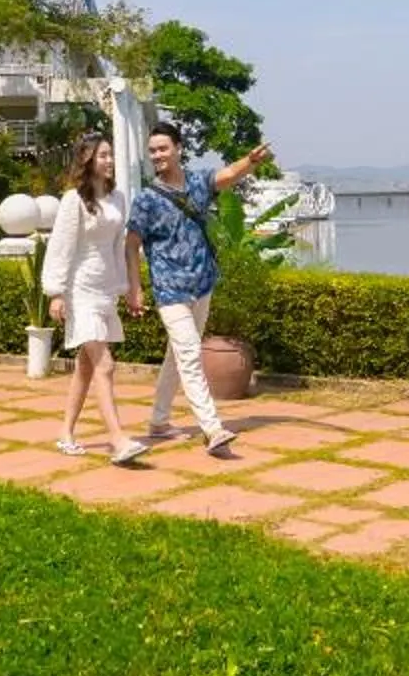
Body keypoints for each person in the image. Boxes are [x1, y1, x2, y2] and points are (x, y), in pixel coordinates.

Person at [124, 123, 272, 459]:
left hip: (202, 283)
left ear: (178, 148)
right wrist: (134, 287)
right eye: (152, 151)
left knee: (177, 356)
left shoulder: (197, 183)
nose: (157, 155)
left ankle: (159, 422)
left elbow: (229, 175)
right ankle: (212, 428)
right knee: (190, 354)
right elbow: (130, 246)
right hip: (169, 287)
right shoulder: (146, 199)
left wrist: (251, 161)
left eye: (163, 148)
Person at [39, 133, 149, 464]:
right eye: (103, 155)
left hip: (104, 291)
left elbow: (119, 247)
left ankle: (66, 434)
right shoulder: (73, 200)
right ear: (87, 160)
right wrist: (56, 291)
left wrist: (128, 287)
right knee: (105, 365)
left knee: (85, 369)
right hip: (79, 291)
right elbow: (61, 246)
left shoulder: (117, 199)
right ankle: (118, 439)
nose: (109, 160)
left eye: (111, 155)